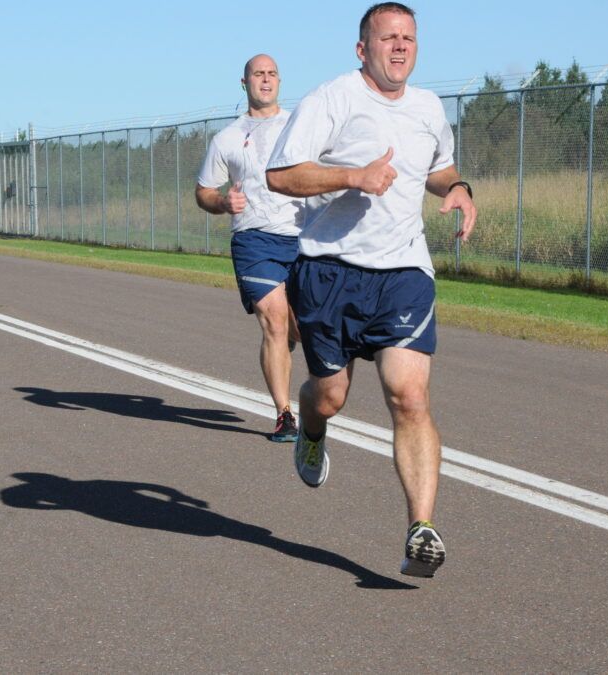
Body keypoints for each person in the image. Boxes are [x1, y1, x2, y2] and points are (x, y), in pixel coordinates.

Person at [266, 2, 477, 578]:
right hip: (329, 273)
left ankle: (421, 529)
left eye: (409, 37)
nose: (401, 46)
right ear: (364, 49)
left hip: (403, 273)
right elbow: (281, 175)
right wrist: (352, 176)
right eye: (388, 38)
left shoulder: (429, 107)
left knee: (408, 396)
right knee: (330, 395)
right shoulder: (333, 99)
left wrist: (454, 187)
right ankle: (311, 426)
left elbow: (435, 165)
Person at [196, 54, 304, 442]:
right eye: (258, 74)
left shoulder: (299, 125)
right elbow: (204, 191)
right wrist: (223, 203)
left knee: (299, 328)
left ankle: (287, 345)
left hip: (302, 237)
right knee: (274, 321)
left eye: (272, 73)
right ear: (244, 82)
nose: (266, 79)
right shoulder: (226, 138)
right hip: (253, 240)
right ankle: (284, 414)